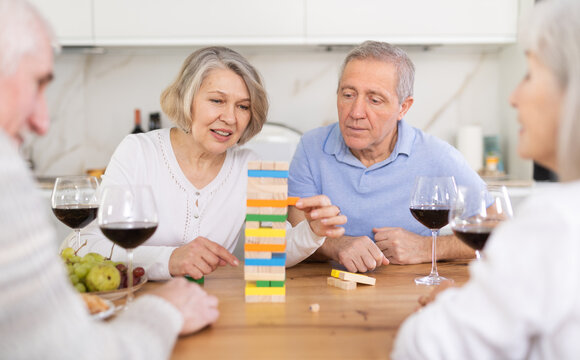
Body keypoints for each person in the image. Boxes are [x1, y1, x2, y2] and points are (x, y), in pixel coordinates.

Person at [0, 0, 220, 358]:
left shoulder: (247, 166)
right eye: (36, 83)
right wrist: (165, 309)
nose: (43, 122)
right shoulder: (6, 176)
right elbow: (76, 352)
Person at [392, 0, 580, 358]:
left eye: (529, 74)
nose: (513, 97)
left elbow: (420, 348)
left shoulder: (556, 220)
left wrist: (448, 307)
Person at [78, 46, 345, 280]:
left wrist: (312, 232)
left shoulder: (252, 165)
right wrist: (169, 259)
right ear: (187, 99)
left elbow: (271, 251)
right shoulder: (137, 152)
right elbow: (85, 245)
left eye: (243, 106)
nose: (230, 118)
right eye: (217, 100)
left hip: (209, 307)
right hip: (136, 302)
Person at [288, 40, 484, 273]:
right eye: (348, 94)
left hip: (411, 295)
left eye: (375, 100)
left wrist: (426, 247)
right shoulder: (311, 147)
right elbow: (296, 233)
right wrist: (336, 245)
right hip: (329, 291)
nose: (356, 112)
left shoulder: (437, 156)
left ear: (403, 108)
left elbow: (501, 232)